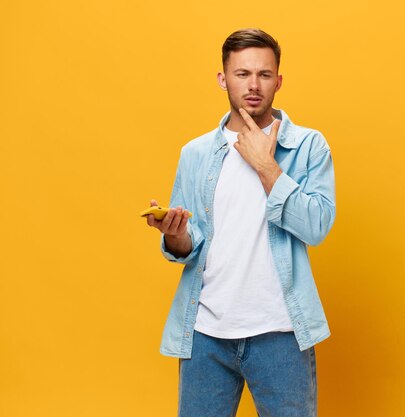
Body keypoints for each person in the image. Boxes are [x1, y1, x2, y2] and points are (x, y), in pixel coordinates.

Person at [145, 28, 336, 417]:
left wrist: (266, 166)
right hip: (205, 336)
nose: (253, 85)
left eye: (264, 75)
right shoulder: (195, 153)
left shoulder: (307, 146)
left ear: (278, 81)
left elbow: (316, 226)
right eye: (242, 73)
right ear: (223, 79)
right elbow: (190, 244)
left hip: (281, 334)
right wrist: (176, 237)